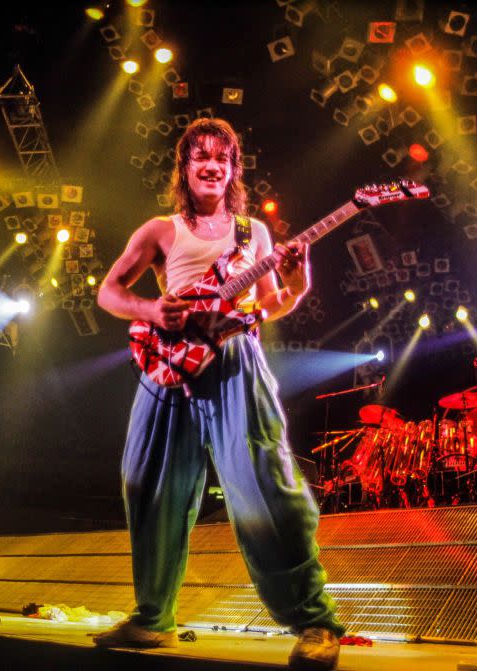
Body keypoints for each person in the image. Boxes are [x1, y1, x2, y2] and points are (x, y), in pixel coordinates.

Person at [94, 118, 344, 670]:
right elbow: (109, 291)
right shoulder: (159, 229)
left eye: (222, 158)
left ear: (233, 170)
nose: (211, 165)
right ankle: (153, 619)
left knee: (266, 487)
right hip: (170, 366)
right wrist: (151, 309)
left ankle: (314, 621)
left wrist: (298, 285)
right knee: (148, 486)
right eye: (200, 155)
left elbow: (270, 304)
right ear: (184, 167)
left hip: (235, 361)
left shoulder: (254, 232)